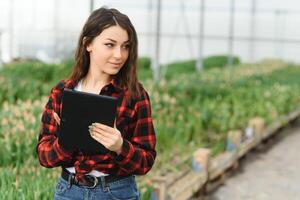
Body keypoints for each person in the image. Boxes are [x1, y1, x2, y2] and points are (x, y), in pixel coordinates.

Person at [36, 7, 156, 200]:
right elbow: (43, 156)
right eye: (110, 45)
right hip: (69, 191)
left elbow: (146, 161)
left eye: (126, 46)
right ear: (88, 44)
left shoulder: (135, 94)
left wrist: (119, 146)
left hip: (116, 192)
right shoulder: (62, 92)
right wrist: (65, 141)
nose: (119, 55)